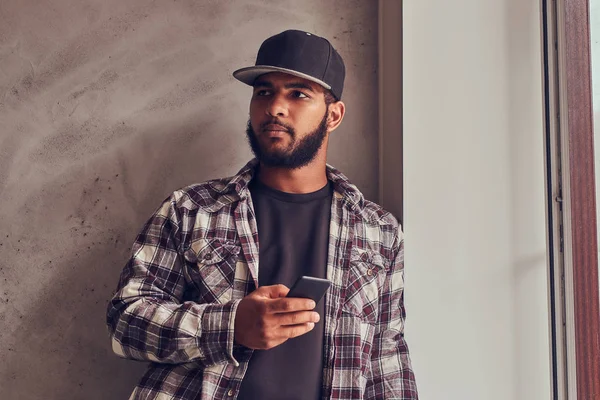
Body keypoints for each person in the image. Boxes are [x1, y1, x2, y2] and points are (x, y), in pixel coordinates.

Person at [106, 29, 418, 400]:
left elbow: (387, 360)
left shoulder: (379, 231)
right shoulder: (191, 210)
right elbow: (125, 322)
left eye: (298, 93)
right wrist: (230, 327)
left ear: (334, 115)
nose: (275, 108)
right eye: (264, 91)